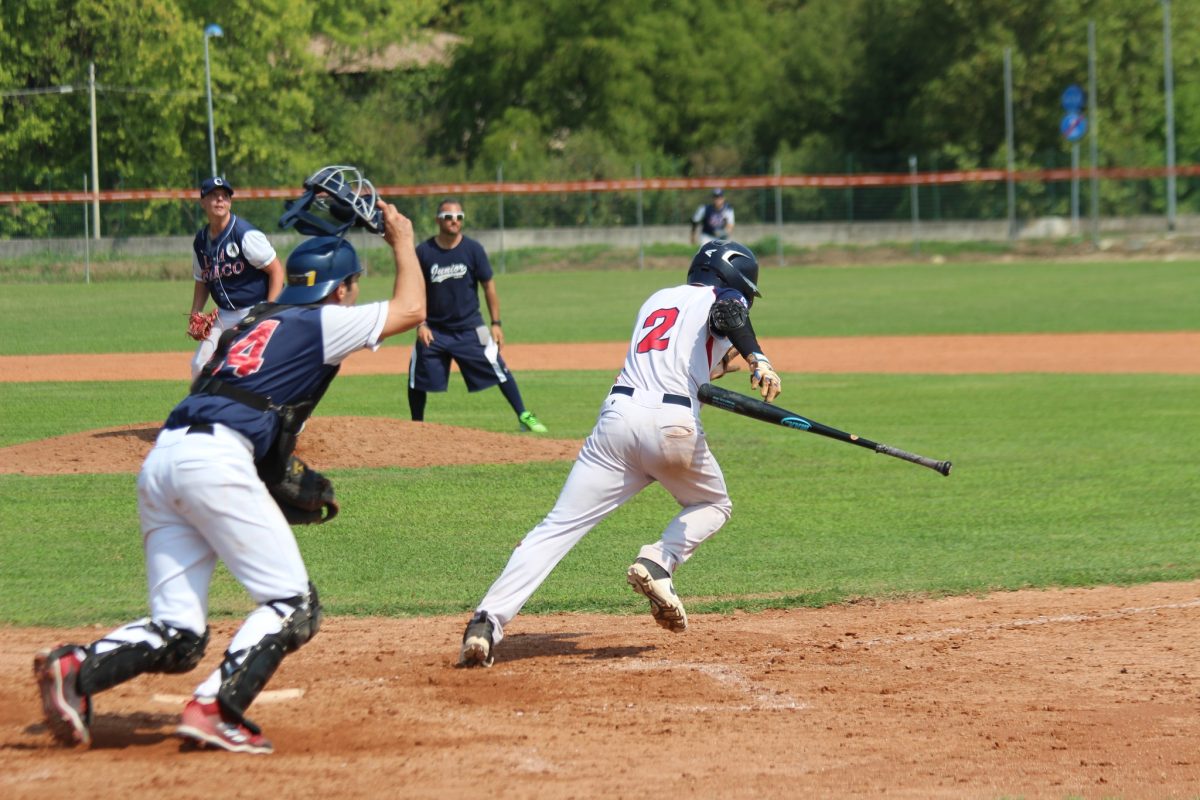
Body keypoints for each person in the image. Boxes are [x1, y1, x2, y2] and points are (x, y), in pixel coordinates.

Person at [33, 200, 426, 754]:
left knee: (180, 634)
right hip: (214, 462)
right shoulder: (324, 318)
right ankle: (215, 709)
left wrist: (282, 474)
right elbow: (412, 309)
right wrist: (402, 240)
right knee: (293, 604)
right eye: (353, 286)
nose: (354, 296)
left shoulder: (248, 324)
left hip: (165, 459)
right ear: (339, 289)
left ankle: (75, 669)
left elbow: (243, 406)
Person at [458, 240, 782, 668]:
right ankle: (659, 561)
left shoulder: (657, 299)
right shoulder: (719, 297)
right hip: (672, 425)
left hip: (617, 418)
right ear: (732, 279)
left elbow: (678, 358)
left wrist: (721, 367)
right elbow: (729, 313)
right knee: (713, 503)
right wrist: (759, 358)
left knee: (555, 528)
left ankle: (485, 622)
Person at [407, 199, 548, 433]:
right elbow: (414, 289)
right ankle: (415, 426)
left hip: (471, 327)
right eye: (449, 217)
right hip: (435, 329)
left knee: (498, 365)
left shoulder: (473, 249)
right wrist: (420, 323)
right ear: (438, 220)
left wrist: (496, 323)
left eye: (459, 217)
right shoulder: (424, 252)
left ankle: (524, 415)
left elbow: (489, 287)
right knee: (417, 376)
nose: (454, 221)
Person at [188, 176, 285, 379]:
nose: (220, 200)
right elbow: (202, 279)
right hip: (225, 314)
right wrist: (195, 313)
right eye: (214, 196)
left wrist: (269, 309)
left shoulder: (245, 235)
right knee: (199, 365)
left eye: (225, 196)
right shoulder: (200, 241)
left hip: (255, 310)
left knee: (251, 370)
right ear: (203, 202)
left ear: (230, 202)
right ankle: (206, 410)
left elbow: (276, 270)